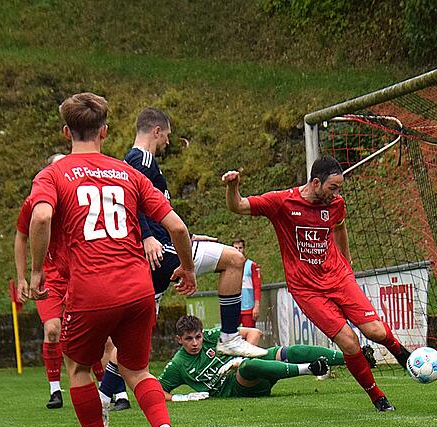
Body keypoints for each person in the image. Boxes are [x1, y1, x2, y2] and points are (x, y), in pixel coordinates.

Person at [28, 92, 196, 427]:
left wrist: (37, 270)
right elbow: (178, 228)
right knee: (137, 371)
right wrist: (187, 268)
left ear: (65, 132)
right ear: (104, 132)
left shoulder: (53, 174)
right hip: (137, 288)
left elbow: (41, 216)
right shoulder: (128, 173)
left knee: (78, 368)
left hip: (91, 289)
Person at [222, 155, 411, 412]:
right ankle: (377, 397)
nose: (336, 194)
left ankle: (401, 353)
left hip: (339, 277)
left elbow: (340, 226)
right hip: (307, 289)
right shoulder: (282, 202)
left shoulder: (336, 204)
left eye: (339, 189)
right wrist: (233, 186)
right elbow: (238, 206)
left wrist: (347, 261)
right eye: (332, 188)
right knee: (349, 343)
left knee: (375, 332)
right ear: (315, 183)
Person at [122, 107, 265, 359]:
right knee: (234, 260)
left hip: (161, 249)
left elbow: (159, 211)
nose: (167, 140)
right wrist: (147, 236)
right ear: (156, 131)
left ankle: (108, 391)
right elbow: (131, 199)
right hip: (164, 251)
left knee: (139, 333)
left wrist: (187, 238)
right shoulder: (141, 159)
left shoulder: (137, 161)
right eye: (166, 134)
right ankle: (230, 338)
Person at [14, 153, 107, 409]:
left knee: (90, 332)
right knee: (53, 330)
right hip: (50, 279)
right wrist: (23, 276)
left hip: (81, 274)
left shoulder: (84, 199)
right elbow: (21, 236)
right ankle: (55, 389)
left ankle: (108, 388)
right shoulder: (35, 202)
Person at [158, 316, 348, 401]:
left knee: (285, 351)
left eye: (197, 337)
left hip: (258, 369)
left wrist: (239, 356)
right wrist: (179, 397)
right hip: (240, 387)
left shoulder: (211, 336)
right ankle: (309, 369)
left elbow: (253, 333)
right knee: (246, 366)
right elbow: (156, 392)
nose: (195, 343)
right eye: (189, 339)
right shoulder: (178, 364)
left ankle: (353, 358)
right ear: (179, 340)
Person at [232, 239, 262, 328]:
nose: (238, 250)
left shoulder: (251, 265)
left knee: (250, 335)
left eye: (240, 248)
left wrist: (256, 306)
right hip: (233, 307)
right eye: (235, 248)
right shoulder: (228, 266)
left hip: (248, 307)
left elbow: (257, 287)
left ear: (244, 249)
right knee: (231, 335)